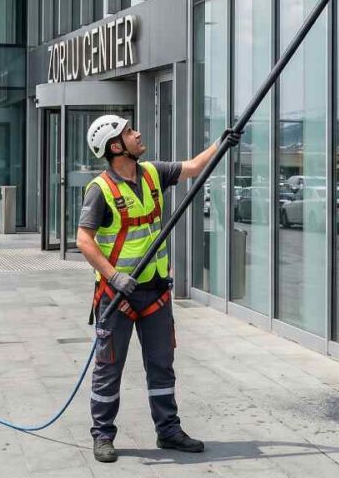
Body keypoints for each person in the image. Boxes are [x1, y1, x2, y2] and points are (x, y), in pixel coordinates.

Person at [77, 114, 239, 464]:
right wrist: (113, 276)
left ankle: (168, 431)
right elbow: (84, 240)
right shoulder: (100, 190)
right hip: (116, 296)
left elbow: (194, 167)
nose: (138, 134)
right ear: (116, 146)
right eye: (130, 132)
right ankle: (103, 435)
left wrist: (221, 143)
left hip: (155, 292)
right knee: (109, 368)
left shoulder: (152, 172)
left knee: (162, 365)